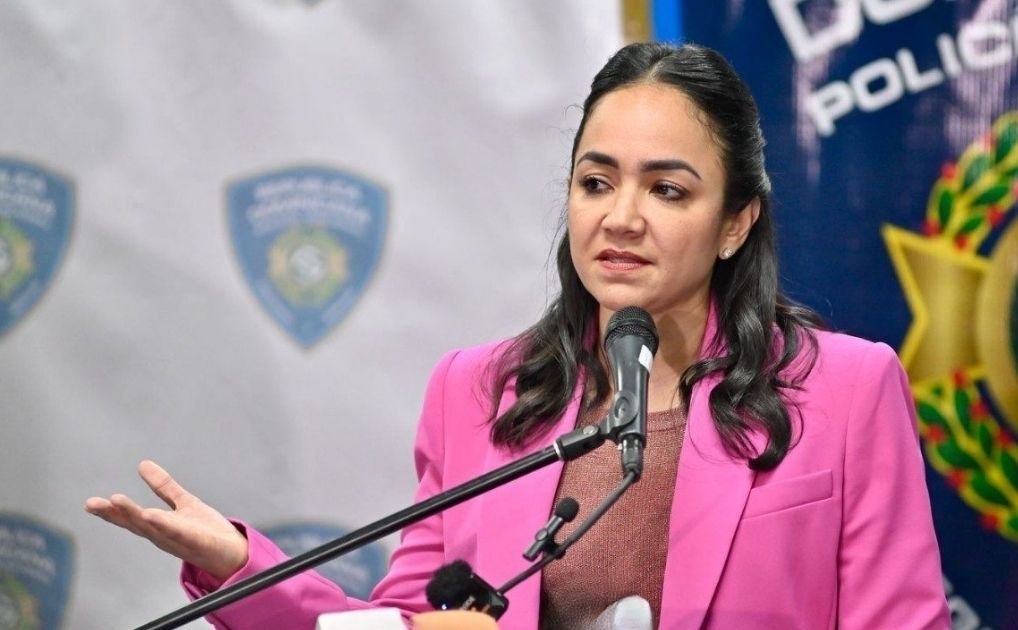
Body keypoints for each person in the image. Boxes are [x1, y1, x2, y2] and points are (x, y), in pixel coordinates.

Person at [85, 42, 951, 629]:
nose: (621, 217)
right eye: (596, 181)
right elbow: (412, 626)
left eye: (668, 191)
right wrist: (243, 568)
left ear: (736, 222)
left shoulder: (843, 390)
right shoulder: (480, 393)